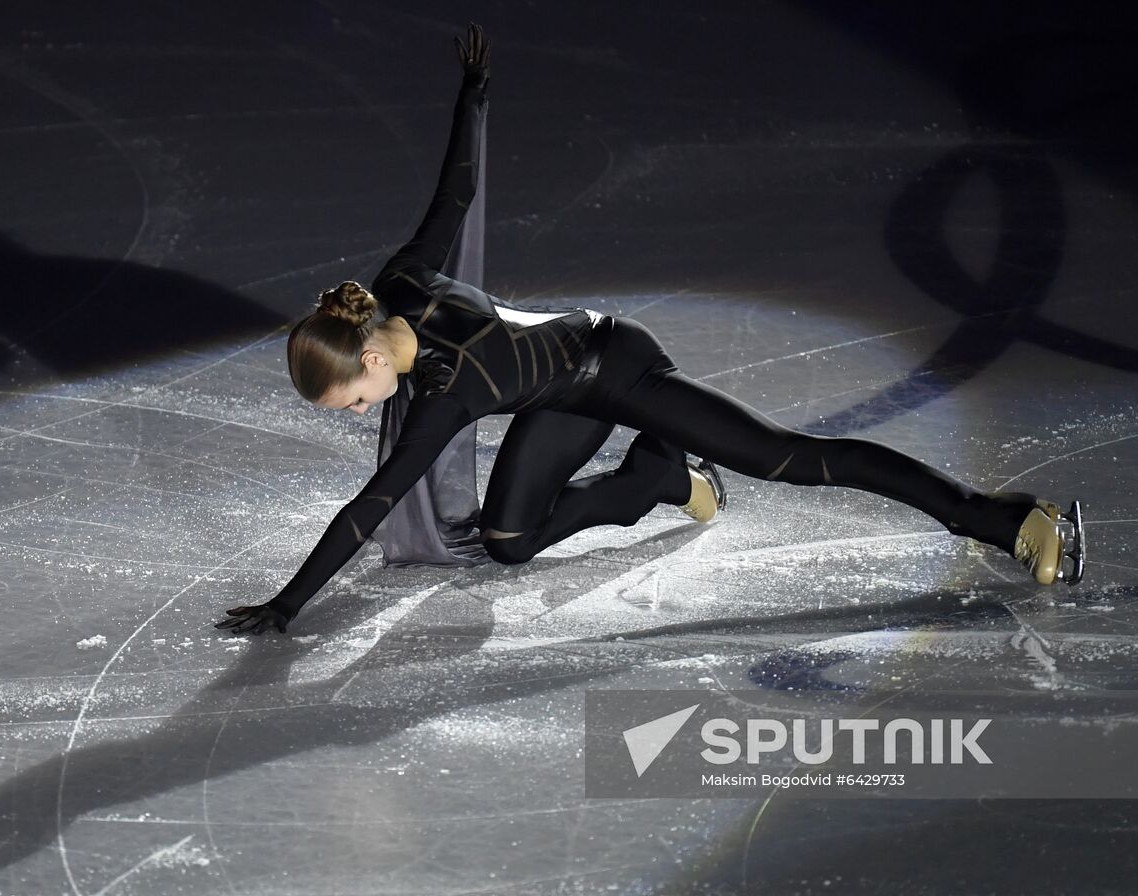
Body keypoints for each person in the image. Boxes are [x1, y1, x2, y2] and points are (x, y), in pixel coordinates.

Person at [216, 23, 1084, 636]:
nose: (353, 412)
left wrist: (289, 607)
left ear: (370, 354)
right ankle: (657, 484)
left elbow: (371, 506)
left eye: (348, 398)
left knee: (787, 458)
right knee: (509, 543)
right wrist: (472, 98)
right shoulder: (396, 286)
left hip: (612, 363)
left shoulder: (449, 388)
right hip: (557, 398)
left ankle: (997, 519)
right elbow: (454, 198)